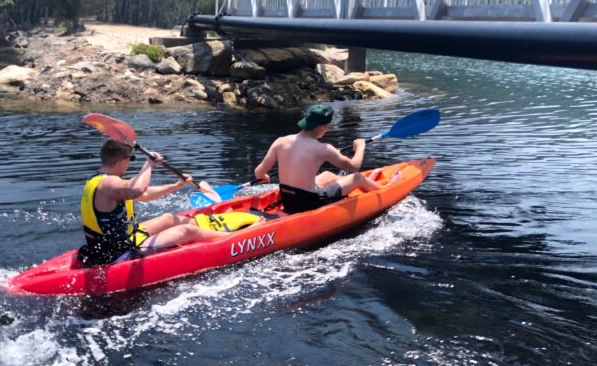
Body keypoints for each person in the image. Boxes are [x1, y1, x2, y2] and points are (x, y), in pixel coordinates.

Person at [79, 139, 224, 266]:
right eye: (131, 159)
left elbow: (145, 194)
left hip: (121, 240)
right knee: (187, 231)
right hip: (118, 255)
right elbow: (138, 189)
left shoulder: (97, 181)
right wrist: (149, 164)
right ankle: (231, 238)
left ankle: (212, 229)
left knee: (168, 218)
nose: (129, 163)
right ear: (121, 161)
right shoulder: (109, 184)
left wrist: (175, 186)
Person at [253, 104, 402, 214]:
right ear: (322, 128)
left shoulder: (280, 141)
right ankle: (385, 189)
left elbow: (259, 172)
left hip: (288, 198)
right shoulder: (323, 149)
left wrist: (264, 177)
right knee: (356, 177)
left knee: (327, 175)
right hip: (309, 203)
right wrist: (360, 146)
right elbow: (354, 167)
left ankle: (348, 184)